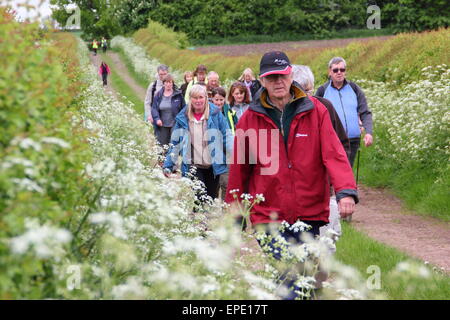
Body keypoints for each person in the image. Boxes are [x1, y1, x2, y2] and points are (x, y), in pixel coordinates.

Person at [225, 51, 358, 300]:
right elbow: (239, 171)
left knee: (304, 281)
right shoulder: (249, 120)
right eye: (271, 77)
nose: (278, 82)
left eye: (282, 75)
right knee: (289, 279)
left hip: (309, 213)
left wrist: (346, 192)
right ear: (262, 81)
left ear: (290, 74)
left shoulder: (315, 111)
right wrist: (236, 216)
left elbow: (334, 154)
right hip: (268, 215)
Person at [291, 64, 350, 242]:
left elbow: (341, 145)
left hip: (321, 190)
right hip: (289, 193)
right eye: (301, 91)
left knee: (322, 246)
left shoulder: (324, 107)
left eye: (309, 90)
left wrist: (334, 181)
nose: (306, 96)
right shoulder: (281, 112)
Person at [163, 84, 232, 204]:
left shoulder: (215, 114)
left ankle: (207, 221)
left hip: (213, 165)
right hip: (194, 164)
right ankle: (198, 220)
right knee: (199, 197)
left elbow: (226, 136)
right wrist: (168, 165)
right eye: (195, 98)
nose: (198, 100)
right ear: (190, 99)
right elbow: (175, 143)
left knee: (210, 198)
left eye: (201, 97)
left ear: (206, 98)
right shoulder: (183, 117)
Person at [315, 57, 373, 167]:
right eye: (335, 70)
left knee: (346, 171)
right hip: (332, 141)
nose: (339, 73)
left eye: (342, 70)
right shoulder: (322, 91)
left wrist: (368, 132)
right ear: (330, 72)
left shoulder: (354, 88)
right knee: (334, 173)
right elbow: (315, 117)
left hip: (353, 140)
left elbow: (365, 112)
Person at [211, 87, 238, 200]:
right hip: (212, 149)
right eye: (216, 99)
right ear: (212, 99)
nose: (219, 102)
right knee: (214, 180)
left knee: (226, 180)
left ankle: (225, 207)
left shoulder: (230, 112)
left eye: (221, 100)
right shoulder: (208, 111)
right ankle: (211, 203)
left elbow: (237, 127)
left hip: (228, 149)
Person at [151, 74, 186, 150]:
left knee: (173, 144)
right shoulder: (158, 95)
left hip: (175, 123)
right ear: (163, 83)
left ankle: (171, 161)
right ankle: (161, 161)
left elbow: (184, 108)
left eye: (170, 82)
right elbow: (154, 108)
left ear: (173, 83)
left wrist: (180, 120)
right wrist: (157, 119)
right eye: (166, 82)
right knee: (162, 145)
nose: (168, 84)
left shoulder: (178, 95)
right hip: (162, 124)